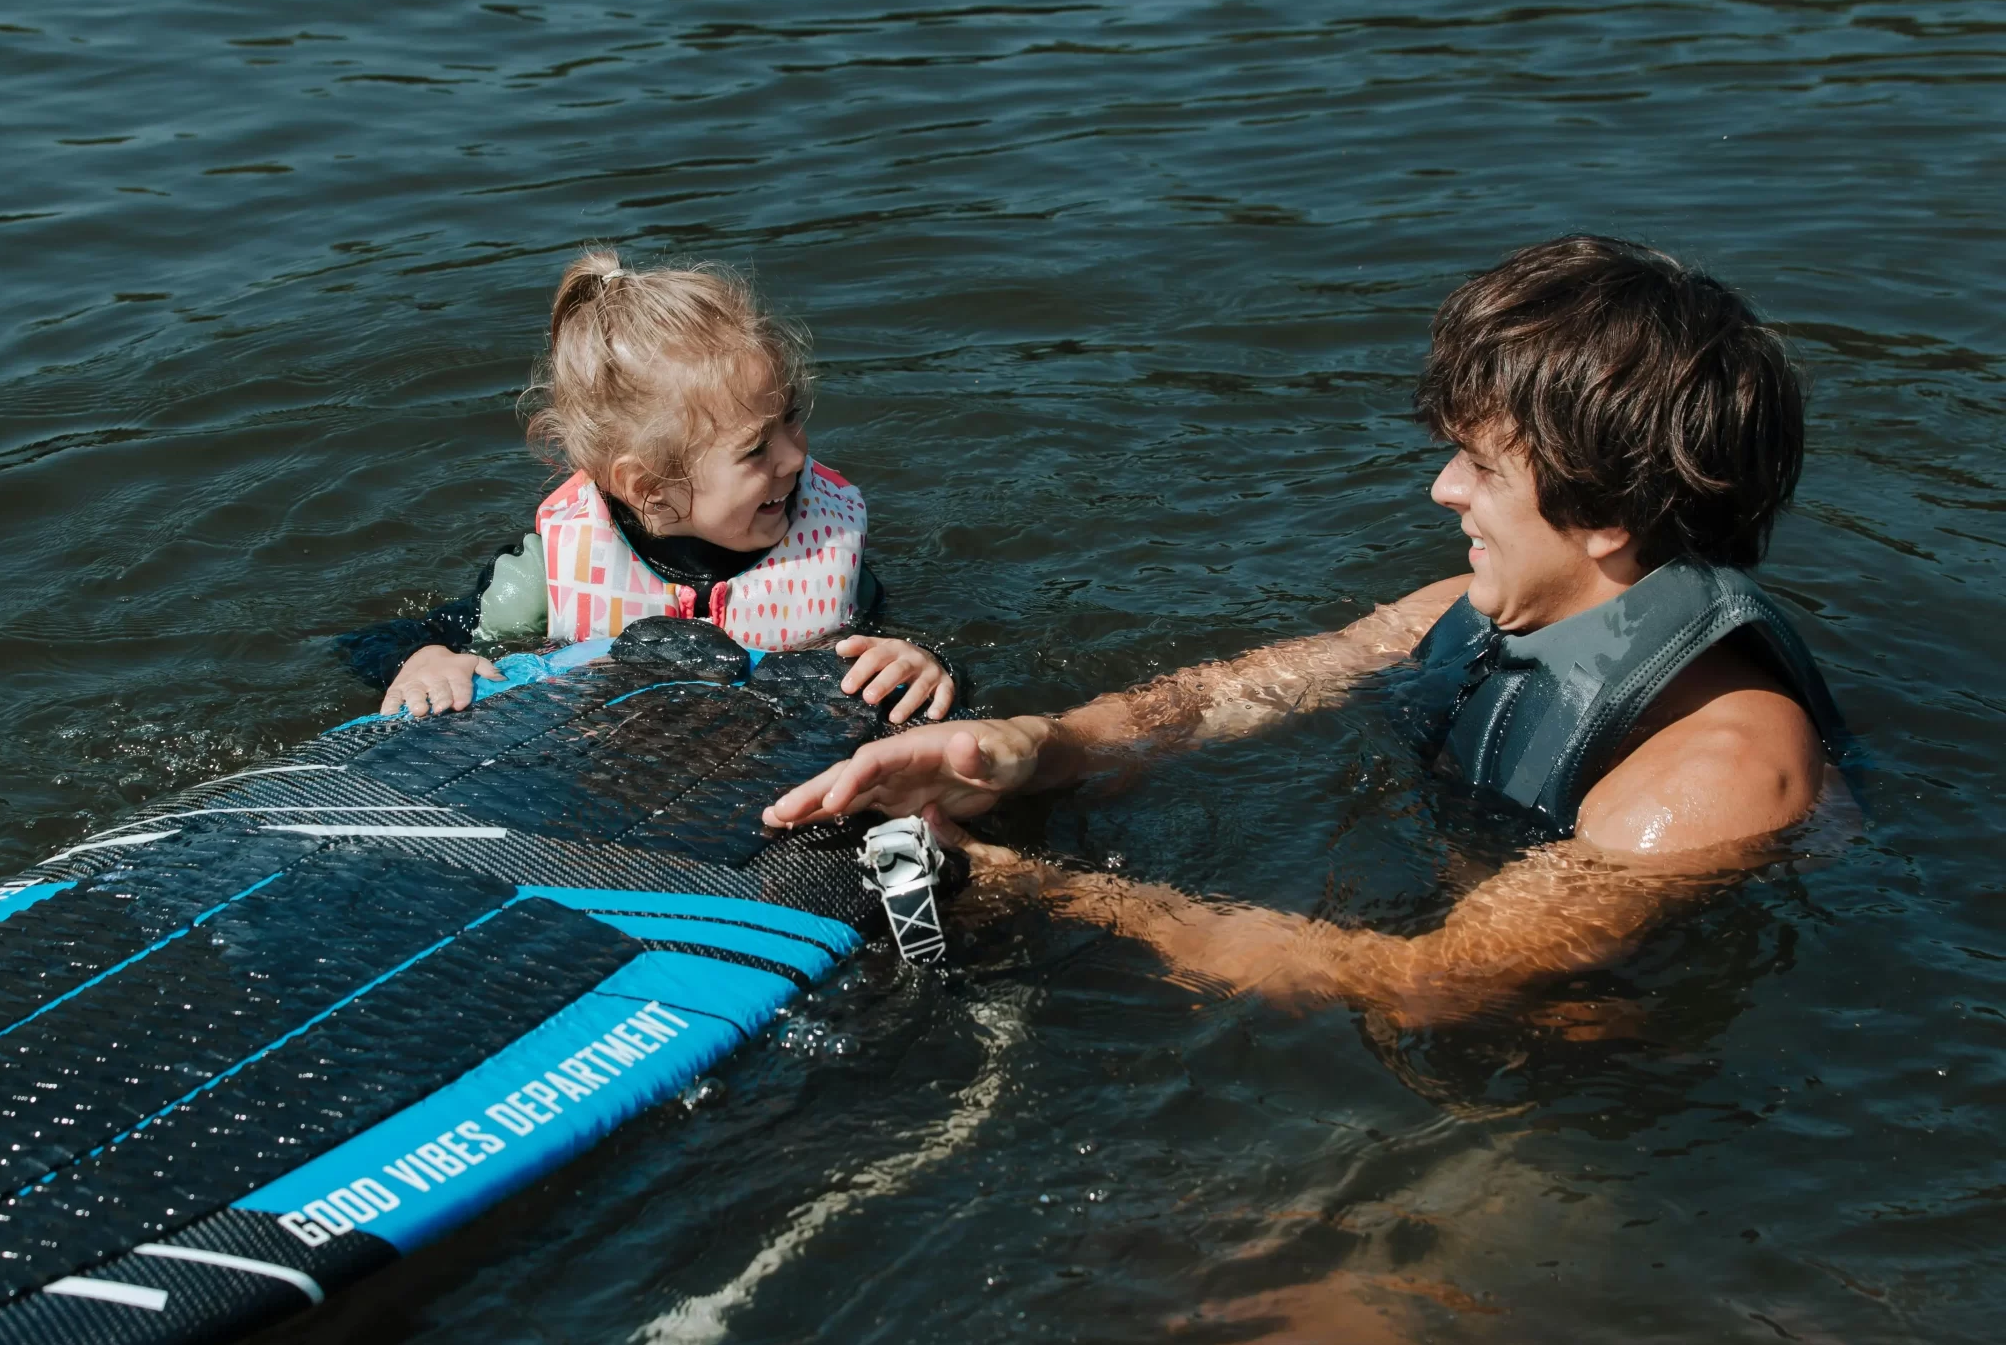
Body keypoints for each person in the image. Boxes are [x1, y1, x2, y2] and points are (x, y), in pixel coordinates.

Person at [765, 235, 1847, 1027]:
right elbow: (1240, 693)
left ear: (1606, 518)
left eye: (1481, 467)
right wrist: (1025, 747)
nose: (1440, 491)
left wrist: (1037, 887)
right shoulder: (1475, 607)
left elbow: (1430, 985)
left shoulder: (1710, 779)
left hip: (1596, 1089)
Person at [345, 249, 955, 721]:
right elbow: (372, 641)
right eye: (754, 449)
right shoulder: (544, 576)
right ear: (646, 483)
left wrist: (922, 665)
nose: (797, 458)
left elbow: (900, 653)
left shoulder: (826, 547)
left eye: (791, 417)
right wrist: (422, 660)